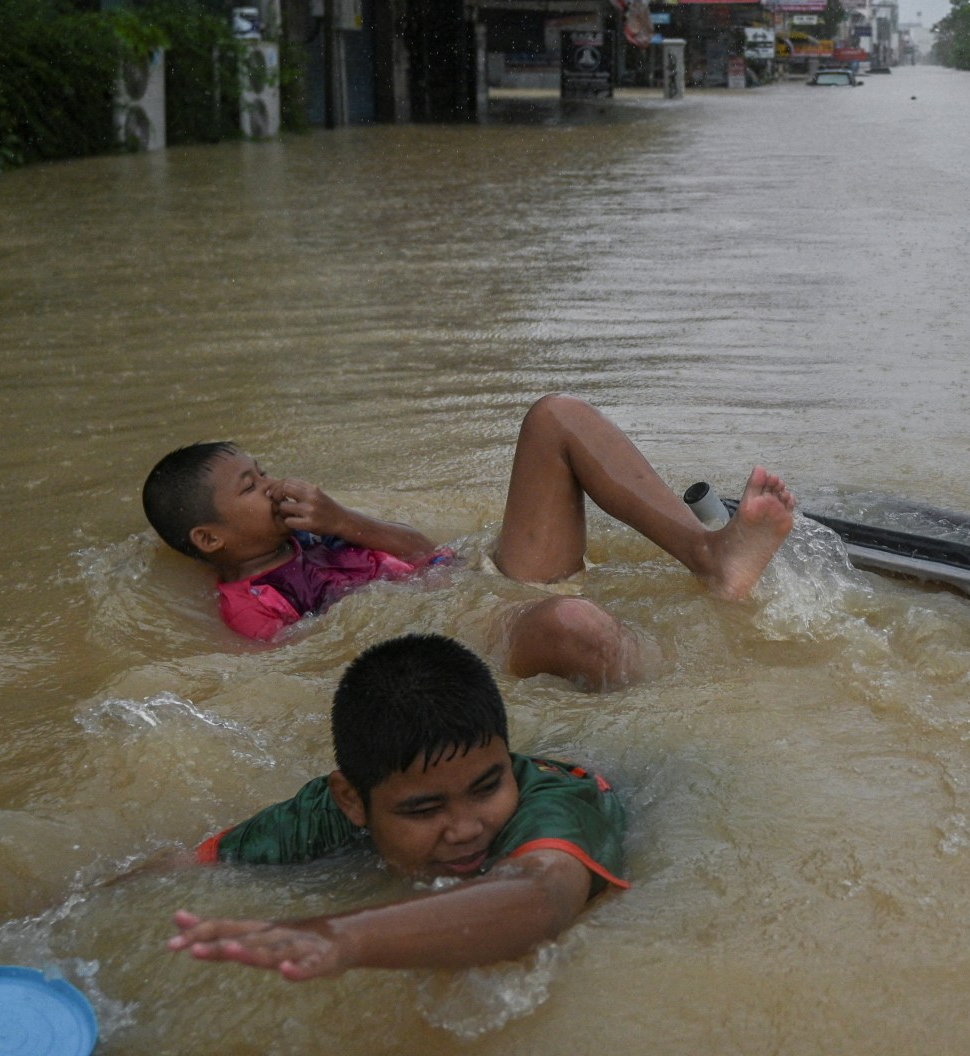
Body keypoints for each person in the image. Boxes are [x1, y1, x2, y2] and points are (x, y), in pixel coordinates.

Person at [141, 393, 796, 686]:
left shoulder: (315, 536)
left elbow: (423, 551)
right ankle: (715, 691)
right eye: (252, 486)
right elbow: (306, 669)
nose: (273, 484)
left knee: (555, 418)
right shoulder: (249, 601)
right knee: (577, 622)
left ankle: (710, 555)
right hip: (465, 638)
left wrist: (342, 520)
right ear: (209, 537)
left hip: (476, 581)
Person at [172, 633, 624, 980]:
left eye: (487, 788)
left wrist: (342, 936)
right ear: (352, 800)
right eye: (425, 811)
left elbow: (540, 898)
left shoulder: (553, 804)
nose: (465, 829)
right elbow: (183, 869)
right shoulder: (326, 814)